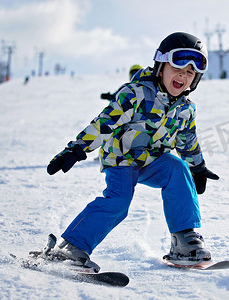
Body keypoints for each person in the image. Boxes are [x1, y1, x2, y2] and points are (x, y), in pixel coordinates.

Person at [40, 32, 219, 270]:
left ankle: (184, 242)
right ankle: (71, 247)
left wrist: (197, 167)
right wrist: (76, 150)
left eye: (189, 73)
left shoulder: (186, 109)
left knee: (178, 168)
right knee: (118, 202)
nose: (183, 76)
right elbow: (104, 124)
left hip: (153, 161)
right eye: (177, 68)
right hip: (121, 159)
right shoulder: (135, 94)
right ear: (160, 66)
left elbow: (187, 140)